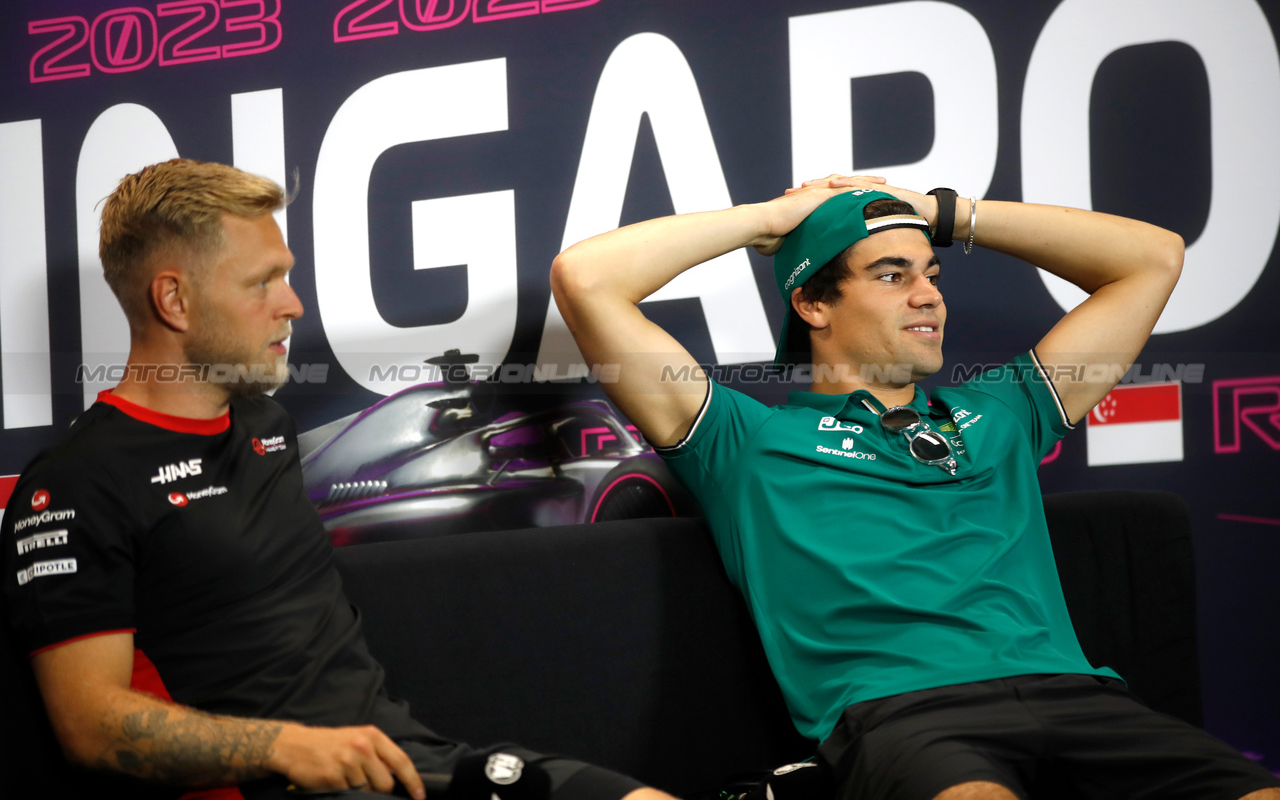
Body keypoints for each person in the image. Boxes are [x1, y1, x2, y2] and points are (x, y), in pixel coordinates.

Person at [550, 173, 1280, 800]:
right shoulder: (745, 440)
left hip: (1078, 695)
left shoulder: (1002, 411)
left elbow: (1153, 258)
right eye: (893, 275)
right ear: (812, 303)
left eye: (932, 273)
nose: (928, 295)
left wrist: (938, 210)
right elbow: (586, 278)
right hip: (903, 716)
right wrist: (774, 221)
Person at [1, 159, 675, 800]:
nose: (292, 303)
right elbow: (89, 727)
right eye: (261, 281)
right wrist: (284, 747)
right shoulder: (72, 485)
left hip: (405, 761)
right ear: (174, 299)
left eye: (287, 276)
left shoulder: (266, 426)